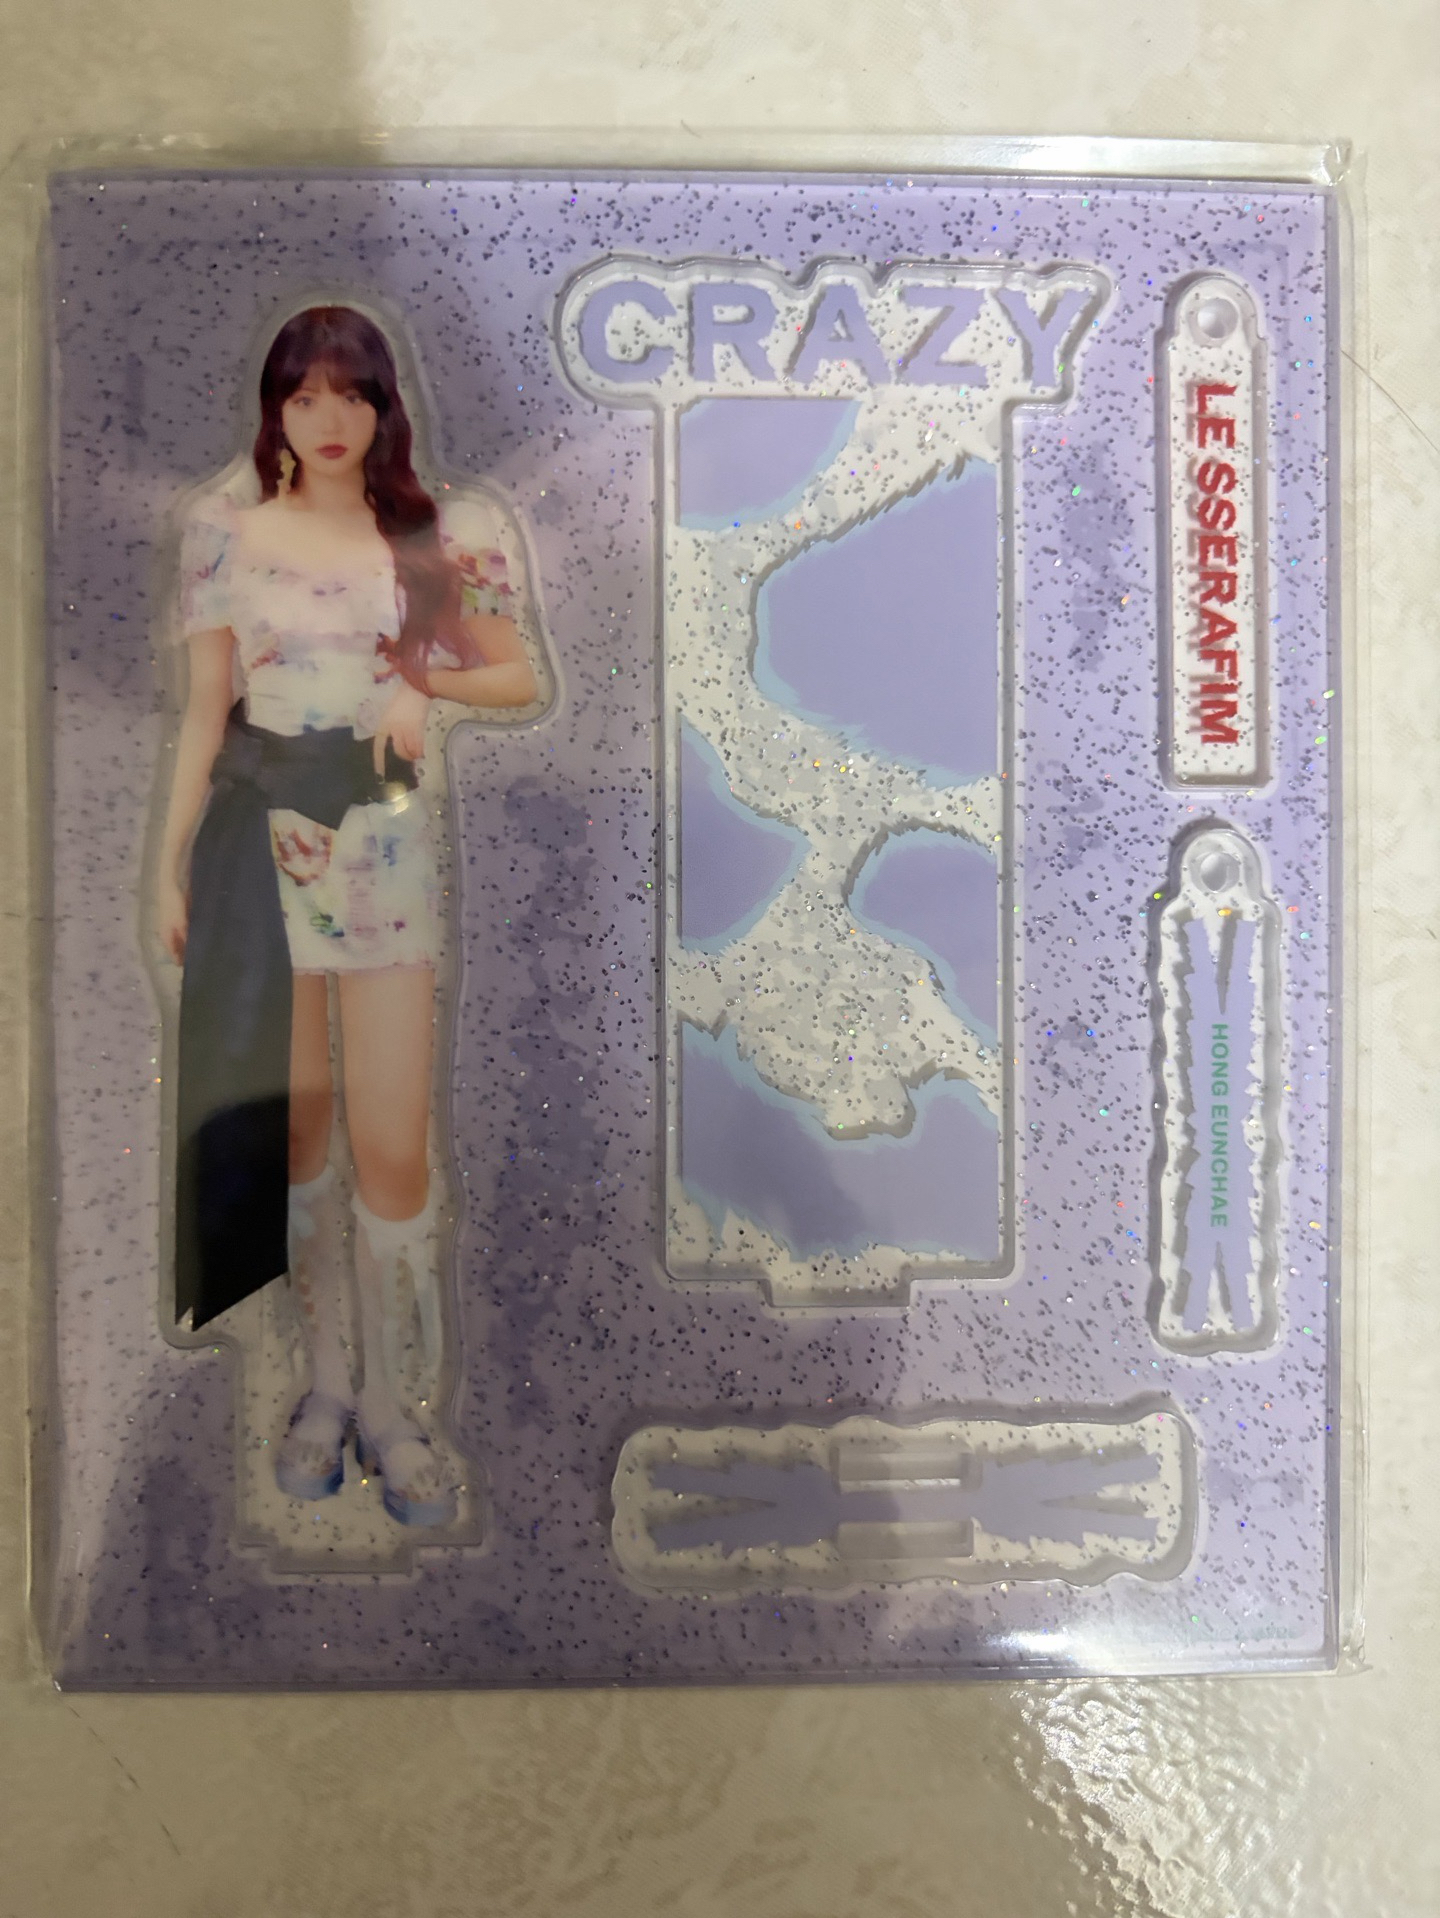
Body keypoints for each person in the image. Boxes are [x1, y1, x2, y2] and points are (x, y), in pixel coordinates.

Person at [156, 305, 540, 1527]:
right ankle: (324, 1384)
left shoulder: (442, 531)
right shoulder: (223, 530)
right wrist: (166, 867)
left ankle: (394, 1400)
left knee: (392, 1145)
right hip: (253, 846)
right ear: (276, 406)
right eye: (306, 394)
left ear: (384, 406)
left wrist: (427, 685)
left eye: (353, 394)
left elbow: (516, 671)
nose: (330, 418)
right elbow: (206, 710)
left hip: (380, 851)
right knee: (297, 1135)